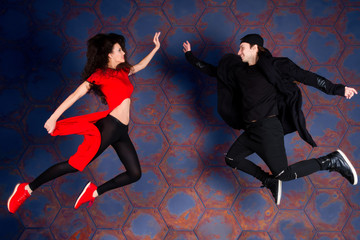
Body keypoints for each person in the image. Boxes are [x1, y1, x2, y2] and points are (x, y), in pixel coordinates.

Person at [182, 34, 358, 205]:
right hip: (251, 131)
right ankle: (269, 181)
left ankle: (331, 161)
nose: (238, 52)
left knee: (284, 173)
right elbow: (214, 71)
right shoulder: (238, 71)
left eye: (242, 48)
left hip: (267, 128)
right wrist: (189, 56)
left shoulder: (275, 66)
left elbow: (306, 76)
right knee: (232, 159)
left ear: (254, 47)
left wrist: (338, 89)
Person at [8, 32, 161, 213]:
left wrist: (156, 48)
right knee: (74, 165)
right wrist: (53, 117)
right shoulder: (99, 75)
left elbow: (140, 66)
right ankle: (27, 188)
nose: (124, 53)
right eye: (119, 50)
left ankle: (93, 192)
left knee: (134, 174)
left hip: (122, 130)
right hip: (109, 127)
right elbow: (75, 95)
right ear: (109, 54)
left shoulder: (123, 70)